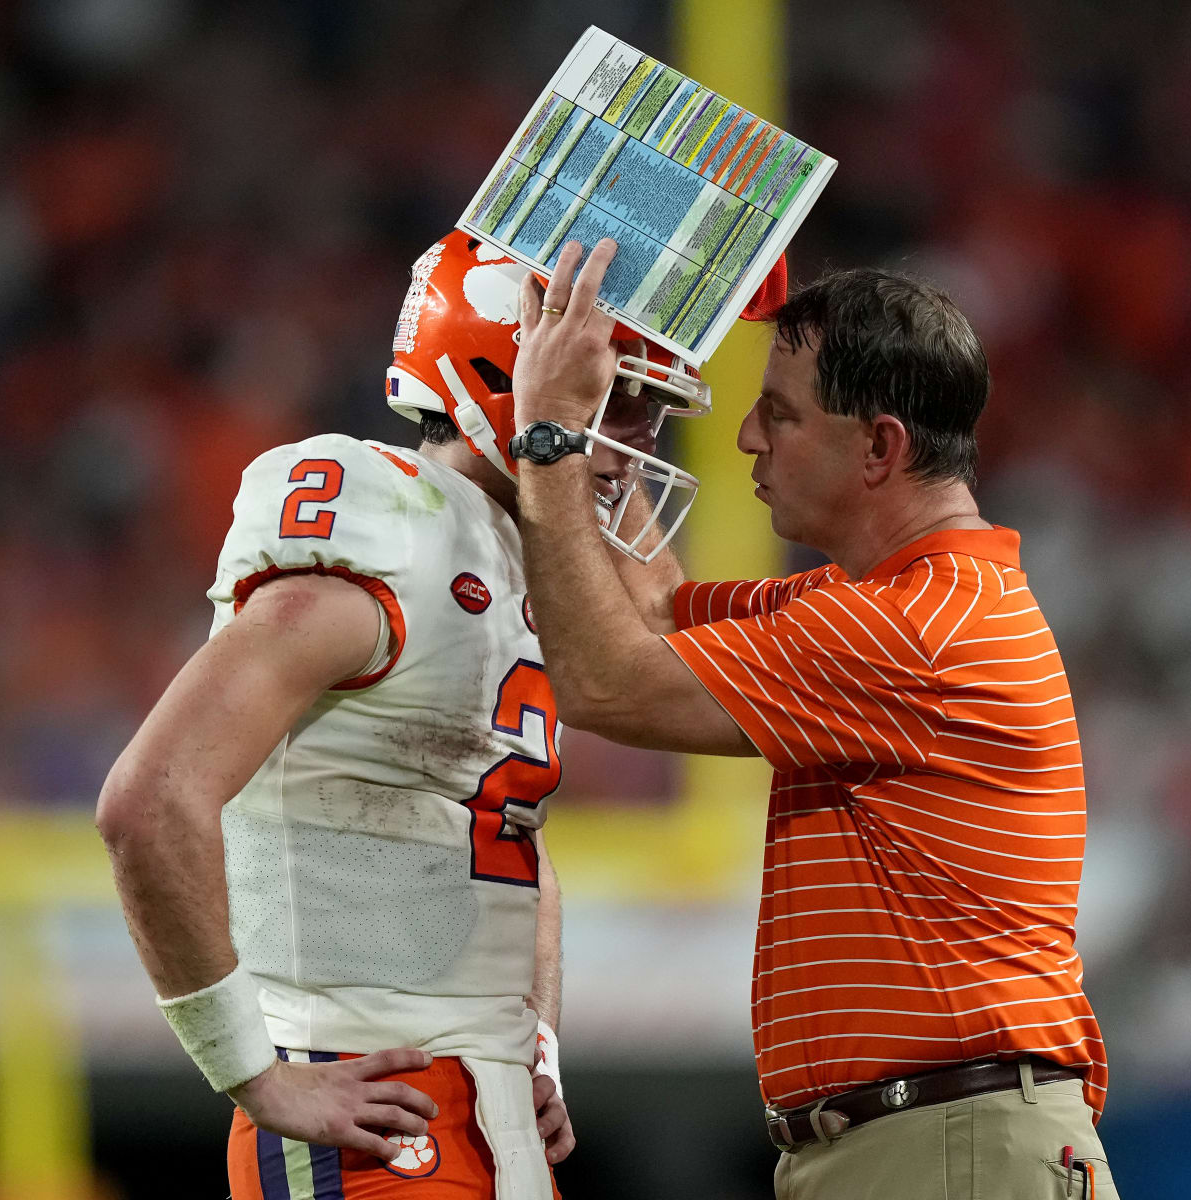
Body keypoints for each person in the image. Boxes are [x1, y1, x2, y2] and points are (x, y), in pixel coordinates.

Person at [95, 231, 710, 1200]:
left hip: (488, 1115)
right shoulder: (399, 533)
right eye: (617, 397)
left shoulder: (517, 557)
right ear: (500, 377)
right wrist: (253, 1072)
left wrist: (533, 1041)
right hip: (373, 1108)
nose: (637, 442)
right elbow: (149, 798)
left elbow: (506, 836)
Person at [508, 239, 1119, 1200]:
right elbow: (662, 614)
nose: (747, 436)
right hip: (930, 1141)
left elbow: (604, 684)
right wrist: (616, 436)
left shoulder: (908, 630)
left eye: (780, 415)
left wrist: (551, 438)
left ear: (880, 447)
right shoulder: (889, 606)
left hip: (945, 1148)